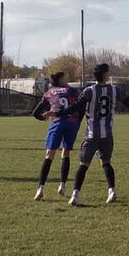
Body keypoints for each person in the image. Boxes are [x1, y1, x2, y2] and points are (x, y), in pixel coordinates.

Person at [66, 64, 129, 206]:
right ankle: (112, 191)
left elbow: (75, 107)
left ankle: (75, 195)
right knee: (106, 162)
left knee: (83, 165)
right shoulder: (114, 90)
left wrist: (57, 113)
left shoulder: (89, 91)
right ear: (104, 75)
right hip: (107, 134)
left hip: (91, 134)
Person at [31, 71, 81, 201]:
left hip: (57, 124)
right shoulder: (72, 91)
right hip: (72, 124)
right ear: (60, 80)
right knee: (66, 153)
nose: (67, 79)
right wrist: (78, 122)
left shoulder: (49, 93)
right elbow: (80, 106)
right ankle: (62, 185)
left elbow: (35, 112)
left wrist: (44, 117)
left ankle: (40, 189)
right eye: (65, 78)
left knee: (49, 155)